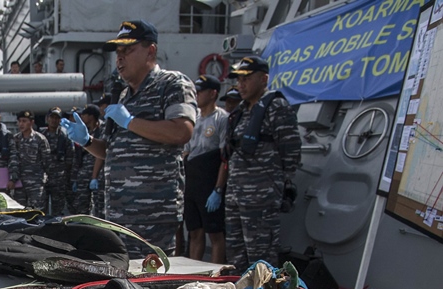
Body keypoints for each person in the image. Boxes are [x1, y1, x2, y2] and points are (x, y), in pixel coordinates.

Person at [63, 19, 196, 255]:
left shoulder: (171, 83)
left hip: (152, 213)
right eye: (118, 52)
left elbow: (181, 131)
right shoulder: (122, 96)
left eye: (128, 50)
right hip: (117, 212)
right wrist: (87, 141)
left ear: (150, 51)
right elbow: (110, 151)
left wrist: (131, 122)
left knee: (150, 281)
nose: (120, 58)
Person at [220, 56, 301, 272]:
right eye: (239, 80)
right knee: (236, 256)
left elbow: (291, 152)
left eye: (246, 78)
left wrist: (275, 183)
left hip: (260, 196)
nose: (241, 84)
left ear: (264, 79)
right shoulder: (241, 111)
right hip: (236, 195)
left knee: (261, 258)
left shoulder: (276, 108)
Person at [183, 74, 227, 263]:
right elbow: (186, 152)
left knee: (215, 234)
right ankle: (194, 273)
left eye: (200, 92)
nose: (196, 95)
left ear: (213, 93)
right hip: (192, 179)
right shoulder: (194, 119)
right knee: (194, 231)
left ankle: (216, 277)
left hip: (209, 179)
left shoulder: (222, 118)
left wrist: (218, 189)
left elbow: (225, 157)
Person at [8, 110, 50, 211]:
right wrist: (13, 178)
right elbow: (13, 160)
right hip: (19, 184)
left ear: (31, 122)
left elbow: (47, 162)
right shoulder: (15, 139)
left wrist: (45, 180)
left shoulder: (40, 139)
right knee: (20, 211)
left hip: (36, 183)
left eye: (24, 121)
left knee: (37, 211)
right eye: (20, 121)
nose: (21, 124)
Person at [70, 104, 104, 216]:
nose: (82, 117)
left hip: (98, 176)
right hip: (83, 176)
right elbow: (78, 156)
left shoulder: (102, 131)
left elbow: (101, 154)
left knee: (100, 209)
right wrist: (75, 178)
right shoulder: (85, 132)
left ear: (91, 116)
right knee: (81, 207)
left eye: (84, 115)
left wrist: (94, 177)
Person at [40, 107, 73, 215]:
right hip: (43, 177)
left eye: (56, 118)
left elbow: (70, 158)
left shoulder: (65, 137)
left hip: (59, 178)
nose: (54, 120)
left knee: (58, 210)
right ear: (47, 119)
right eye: (52, 117)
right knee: (41, 209)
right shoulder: (41, 135)